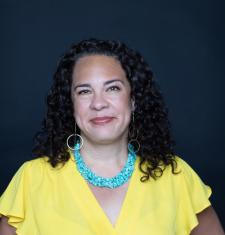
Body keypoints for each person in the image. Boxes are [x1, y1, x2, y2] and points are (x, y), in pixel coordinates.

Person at [0, 38, 224, 235]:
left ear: (133, 99)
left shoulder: (177, 176)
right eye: (84, 91)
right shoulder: (32, 180)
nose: (98, 103)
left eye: (113, 88)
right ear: (71, 105)